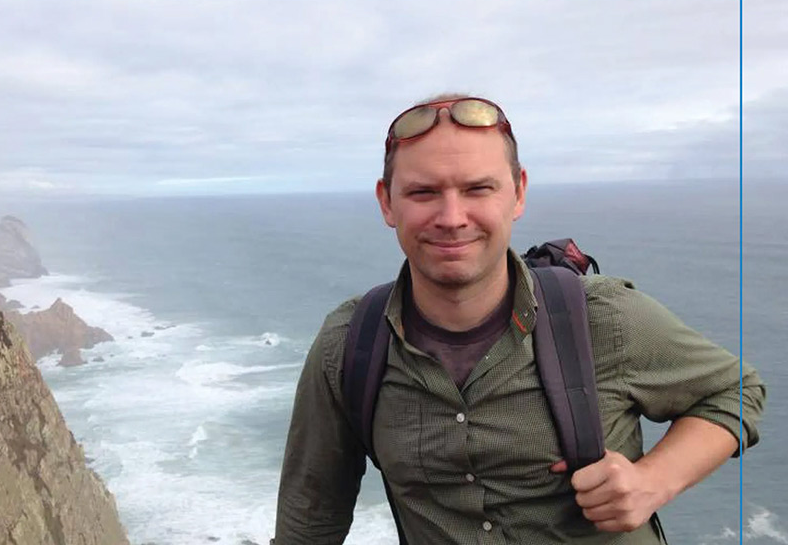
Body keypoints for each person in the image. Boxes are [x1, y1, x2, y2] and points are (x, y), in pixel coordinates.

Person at [273, 94, 766, 544]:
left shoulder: (602, 318)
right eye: (423, 192)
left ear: (518, 192)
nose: (451, 216)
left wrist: (653, 481)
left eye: (477, 189)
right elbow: (310, 518)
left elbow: (735, 389)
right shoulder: (351, 345)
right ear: (386, 202)